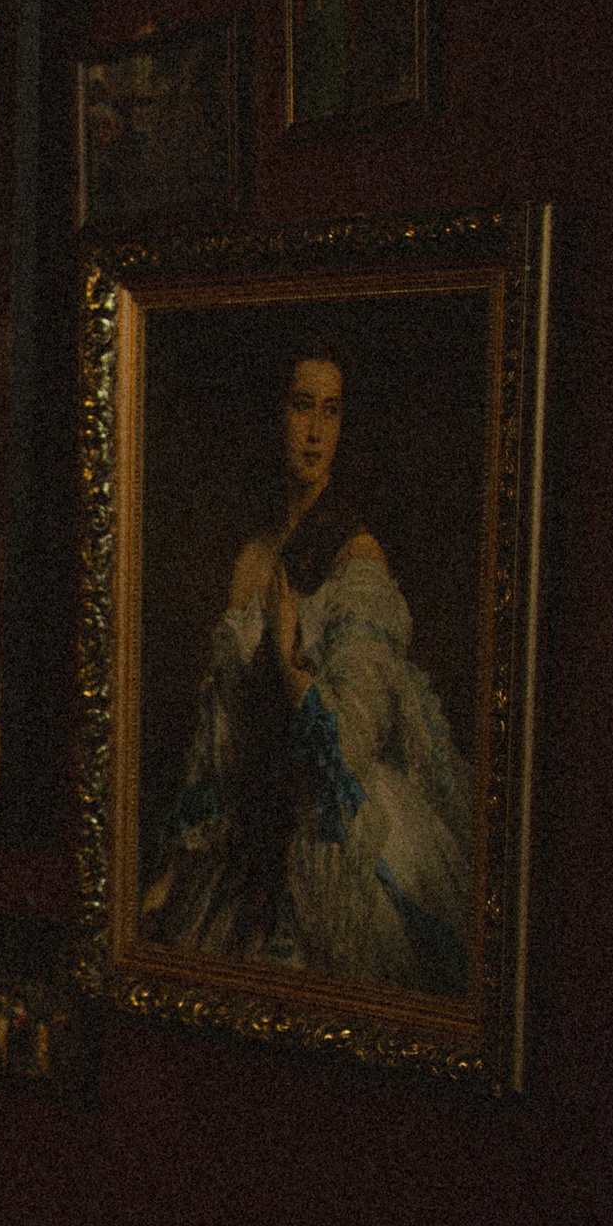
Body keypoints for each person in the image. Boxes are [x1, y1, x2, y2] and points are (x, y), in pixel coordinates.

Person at [142, 351, 471, 993]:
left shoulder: (356, 556)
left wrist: (289, 653)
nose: (316, 432)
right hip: (249, 833)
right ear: (277, 415)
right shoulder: (251, 560)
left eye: (331, 411)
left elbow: (351, 744)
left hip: (327, 829)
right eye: (301, 407)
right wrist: (177, 870)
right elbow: (221, 743)